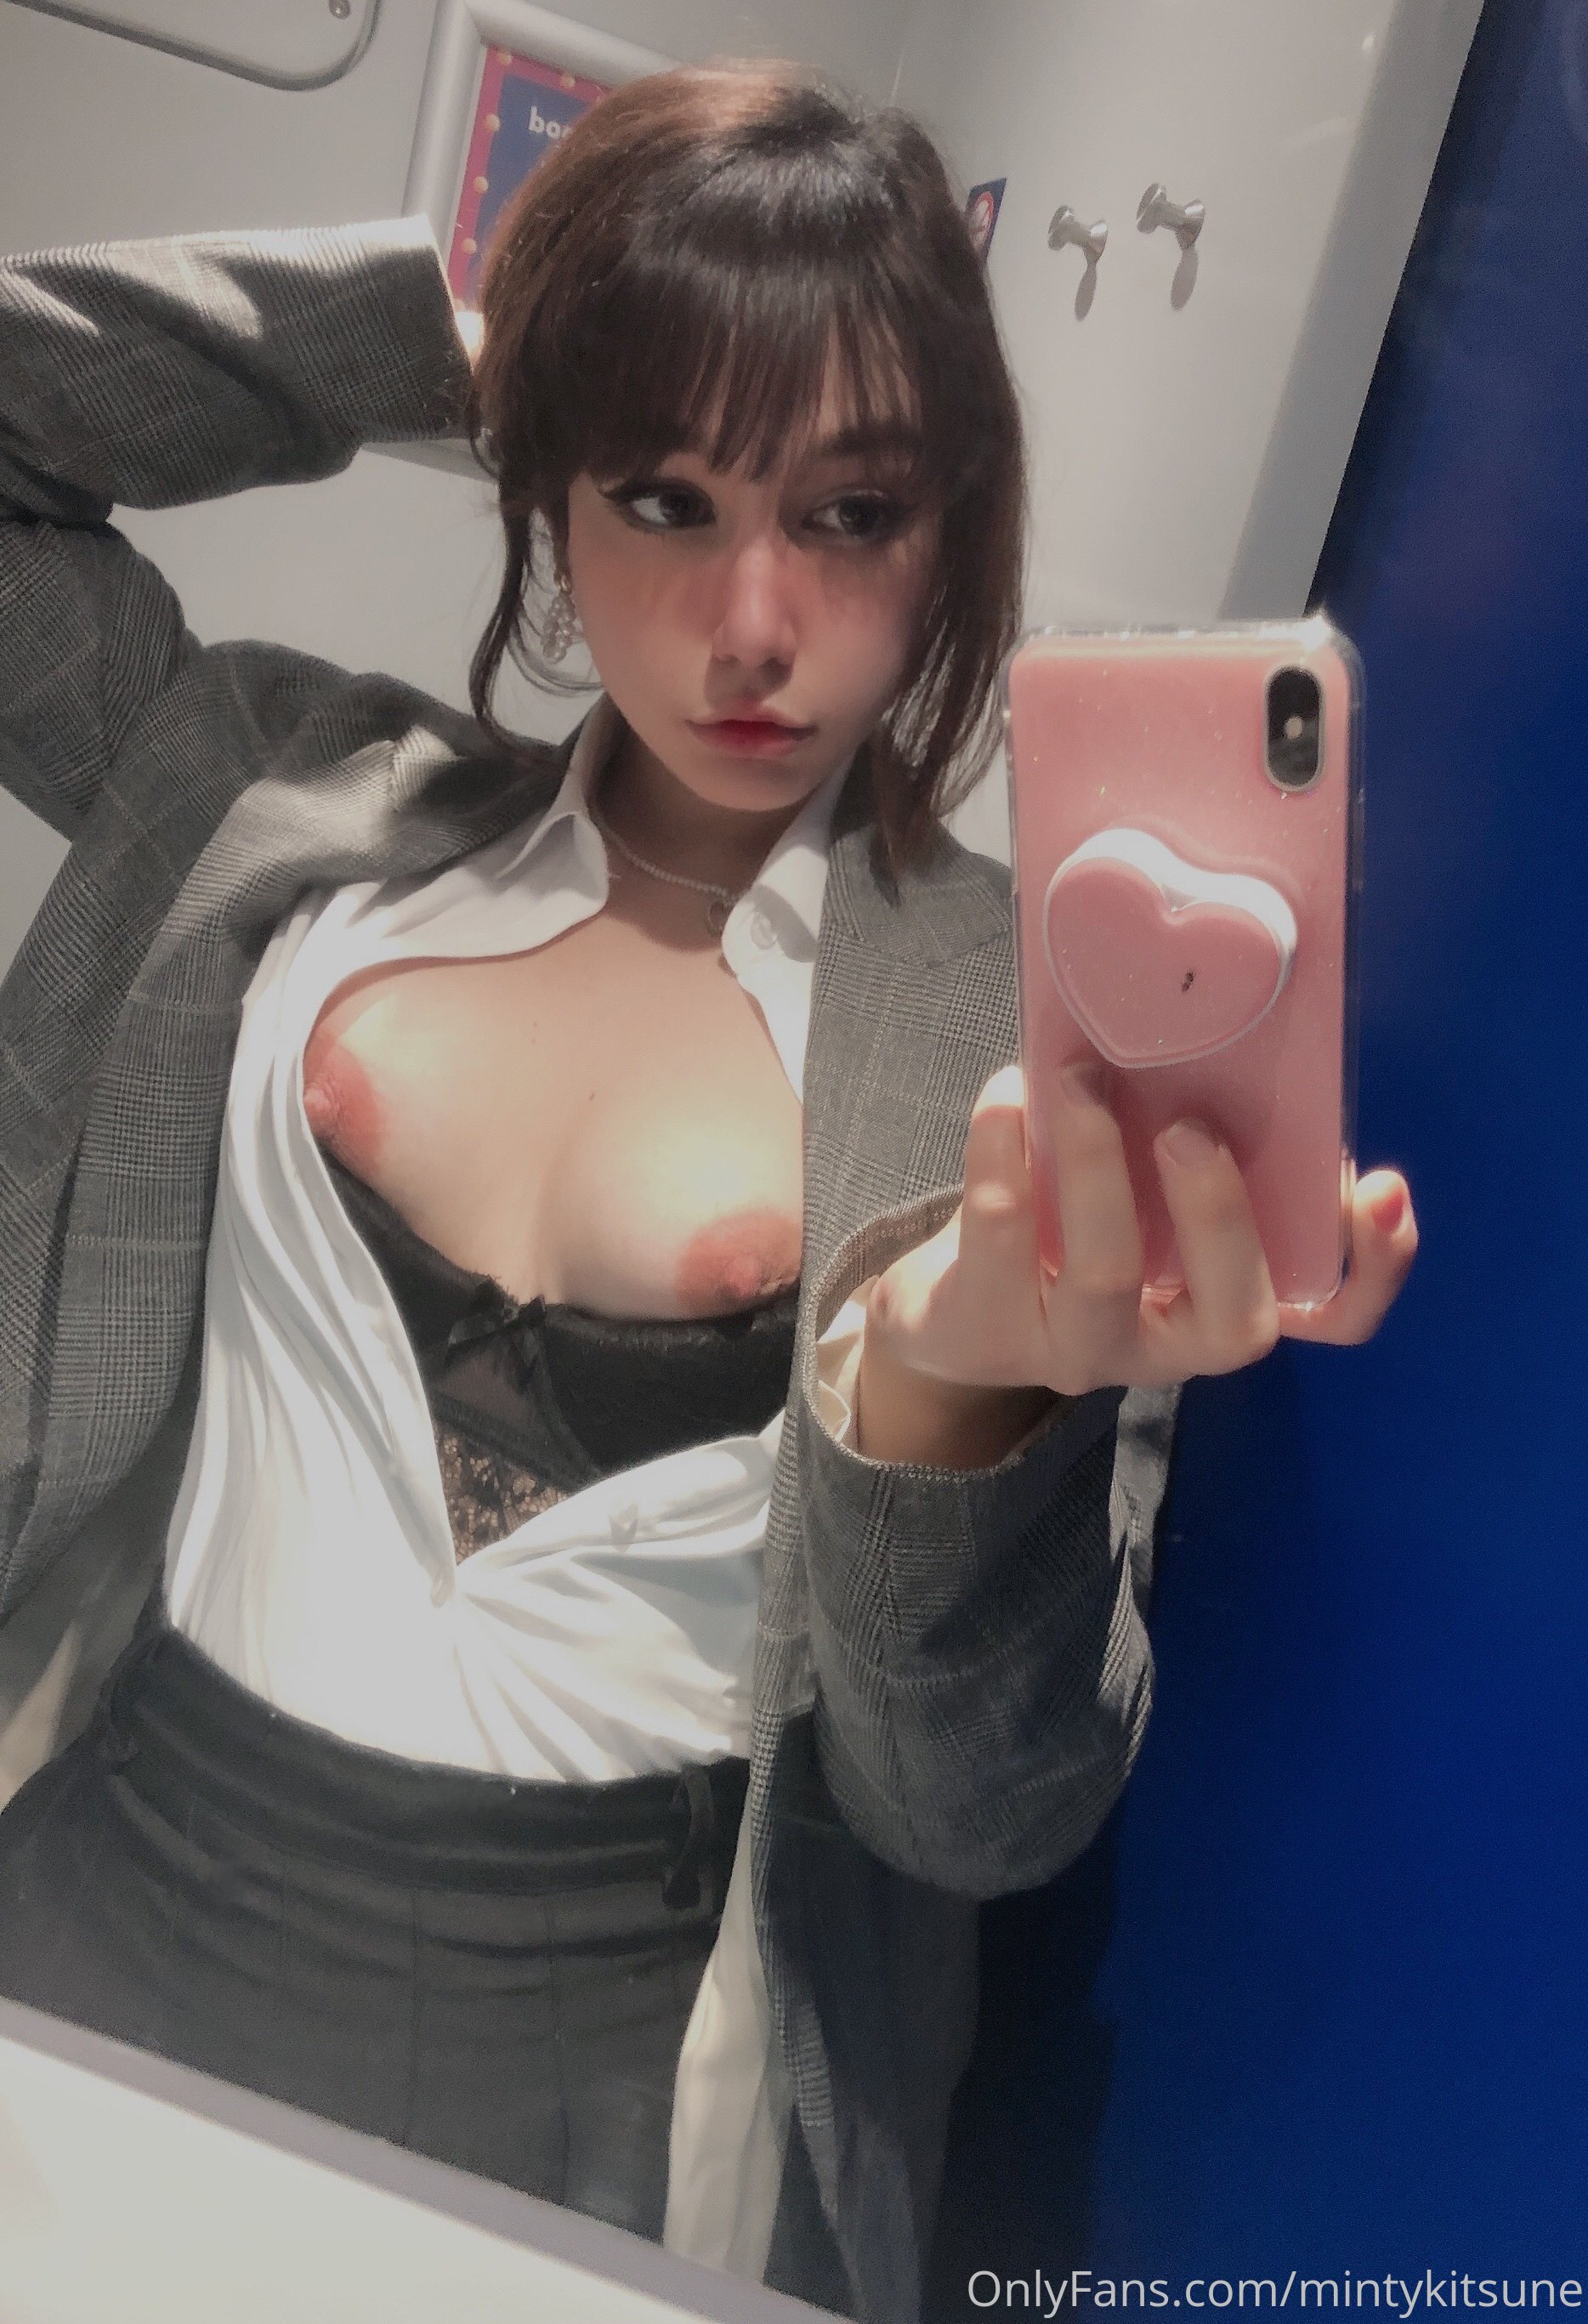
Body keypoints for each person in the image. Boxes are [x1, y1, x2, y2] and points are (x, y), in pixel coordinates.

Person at [0, 57, 1416, 2324]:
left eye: (848, 514)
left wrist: (953, 1395)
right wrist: (449, 342)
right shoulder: (274, 788)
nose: (753, 622)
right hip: (84, 1898)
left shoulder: (1015, 1039)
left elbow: (980, 1814)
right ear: (550, 496)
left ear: (949, 534)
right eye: (664, 496)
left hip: (599, 2093)